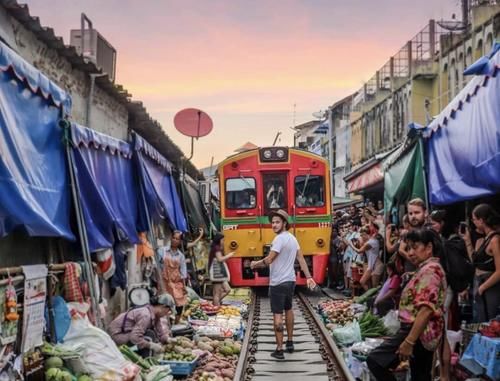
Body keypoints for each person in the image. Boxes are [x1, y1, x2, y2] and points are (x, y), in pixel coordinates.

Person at [367, 228, 447, 381]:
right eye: (409, 248)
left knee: (376, 361)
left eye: (415, 247)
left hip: (417, 331)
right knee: (420, 374)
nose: (410, 253)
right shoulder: (427, 268)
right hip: (420, 331)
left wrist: (409, 341)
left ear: (429, 248)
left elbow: (426, 310)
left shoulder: (430, 271)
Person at [250, 209, 316, 360]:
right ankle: (290, 342)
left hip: (278, 283)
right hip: (290, 281)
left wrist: (255, 264)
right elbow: (301, 259)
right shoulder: (293, 238)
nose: (274, 225)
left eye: (277, 222)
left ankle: (279, 350)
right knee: (289, 309)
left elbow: (270, 259)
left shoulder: (279, 239)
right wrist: (309, 277)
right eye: (272, 222)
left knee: (277, 315)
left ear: (284, 223)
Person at [460, 203, 500, 322]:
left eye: (474, 220)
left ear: (481, 220)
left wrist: (483, 287)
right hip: (479, 282)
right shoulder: (483, 239)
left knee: (488, 319)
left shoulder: (495, 240)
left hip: (489, 285)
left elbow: (499, 271)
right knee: (479, 319)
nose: (473, 223)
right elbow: (475, 261)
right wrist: (467, 240)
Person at [108, 293, 175, 357]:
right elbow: (135, 338)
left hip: (129, 334)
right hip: (118, 335)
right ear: (163, 307)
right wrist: (151, 345)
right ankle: (145, 360)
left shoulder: (155, 316)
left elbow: (160, 333)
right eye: (168, 311)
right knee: (149, 336)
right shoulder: (145, 315)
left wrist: (168, 339)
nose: (167, 314)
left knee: (151, 334)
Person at [161, 229, 203, 323]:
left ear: (180, 241)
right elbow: (158, 265)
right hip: (164, 282)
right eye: (173, 238)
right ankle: (165, 324)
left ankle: (176, 323)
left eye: (177, 239)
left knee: (179, 304)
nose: (175, 240)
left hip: (176, 282)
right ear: (171, 238)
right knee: (165, 304)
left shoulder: (180, 256)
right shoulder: (163, 251)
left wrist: (183, 286)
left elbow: (183, 273)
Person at [344, 226, 381, 290]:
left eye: (362, 235)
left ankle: (371, 297)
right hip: (371, 265)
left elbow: (359, 251)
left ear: (365, 234)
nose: (361, 237)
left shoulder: (371, 242)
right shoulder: (370, 241)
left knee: (365, 283)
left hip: (376, 265)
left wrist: (350, 244)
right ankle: (370, 296)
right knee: (369, 284)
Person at [208, 233, 235, 306]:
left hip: (219, 273)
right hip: (217, 273)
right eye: (222, 240)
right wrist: (229, 255)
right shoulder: (216, 248)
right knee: (217, 293)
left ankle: (214, 303)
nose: (223, 241)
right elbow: (220, 259)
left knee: (227, 289)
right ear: (219, 240)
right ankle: (216, 308)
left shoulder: (215, 247)